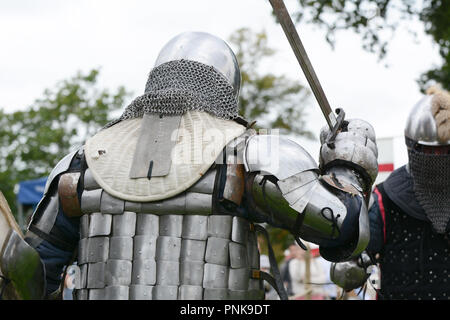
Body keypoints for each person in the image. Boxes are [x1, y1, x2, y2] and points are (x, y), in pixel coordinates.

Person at [0, 31, 378, 300]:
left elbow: (34, 279)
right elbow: (343, 228)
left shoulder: (82, 162)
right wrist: (348, 163)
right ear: (226, 90)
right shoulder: (251, 153)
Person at [331, 86, 450, 300]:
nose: (437, 157)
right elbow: (353, 259)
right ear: (413, 147)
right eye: (429, 150)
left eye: (445, 151)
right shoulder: (386, 199)